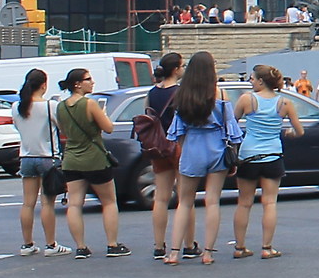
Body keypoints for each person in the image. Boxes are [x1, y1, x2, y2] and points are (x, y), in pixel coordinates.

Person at [166, 51, 241, 267]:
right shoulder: (221, 95)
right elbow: (231, 129)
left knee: (185, 202)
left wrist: (185, 148)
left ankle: (173, 252)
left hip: (192, 147)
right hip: (216, 147)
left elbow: (177, 132)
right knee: (212, 201)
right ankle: (208, 252)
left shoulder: (182, 96)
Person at [231, 64, 303, 259]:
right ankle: (267, 247)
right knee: (269, 203)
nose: (250, 82)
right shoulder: (285, 103)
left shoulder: (247, 99)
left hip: (248, 156)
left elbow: (232, 124)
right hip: (272, 155)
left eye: (252, 79)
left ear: (261, 81)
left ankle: (239, 247)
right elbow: (300, 131)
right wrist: (288, 132)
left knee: (244, 203)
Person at [56, 67, 126, 258]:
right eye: (88, 79)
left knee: (74, 204)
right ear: (78, 84)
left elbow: (63, 130)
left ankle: (80, 247)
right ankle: (112, 244)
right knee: (109, 201)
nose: (92, 82)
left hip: (71, 159)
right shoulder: (90, 104)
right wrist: (102, 114)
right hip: (94, 158)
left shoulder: (60, 107)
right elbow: (108, 128)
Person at [11, 68, 64, 256]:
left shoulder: (17, 107)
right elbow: (61, 127)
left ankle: (27, 244)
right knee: (47, 203)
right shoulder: (51, 106)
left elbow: (17, 127)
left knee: (27, 203)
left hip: (26, 156)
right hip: (48, 157)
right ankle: (51, 244)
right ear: (44, 85)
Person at [141, 52, 188, 260]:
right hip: (177, 145)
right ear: (176, 69)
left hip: (157, 146)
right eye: (182, 65)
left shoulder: (151, 92)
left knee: (160, 196)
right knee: (185, 198)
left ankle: (159, 245)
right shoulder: (181, 92)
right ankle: (188, 244)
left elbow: (147, 114)